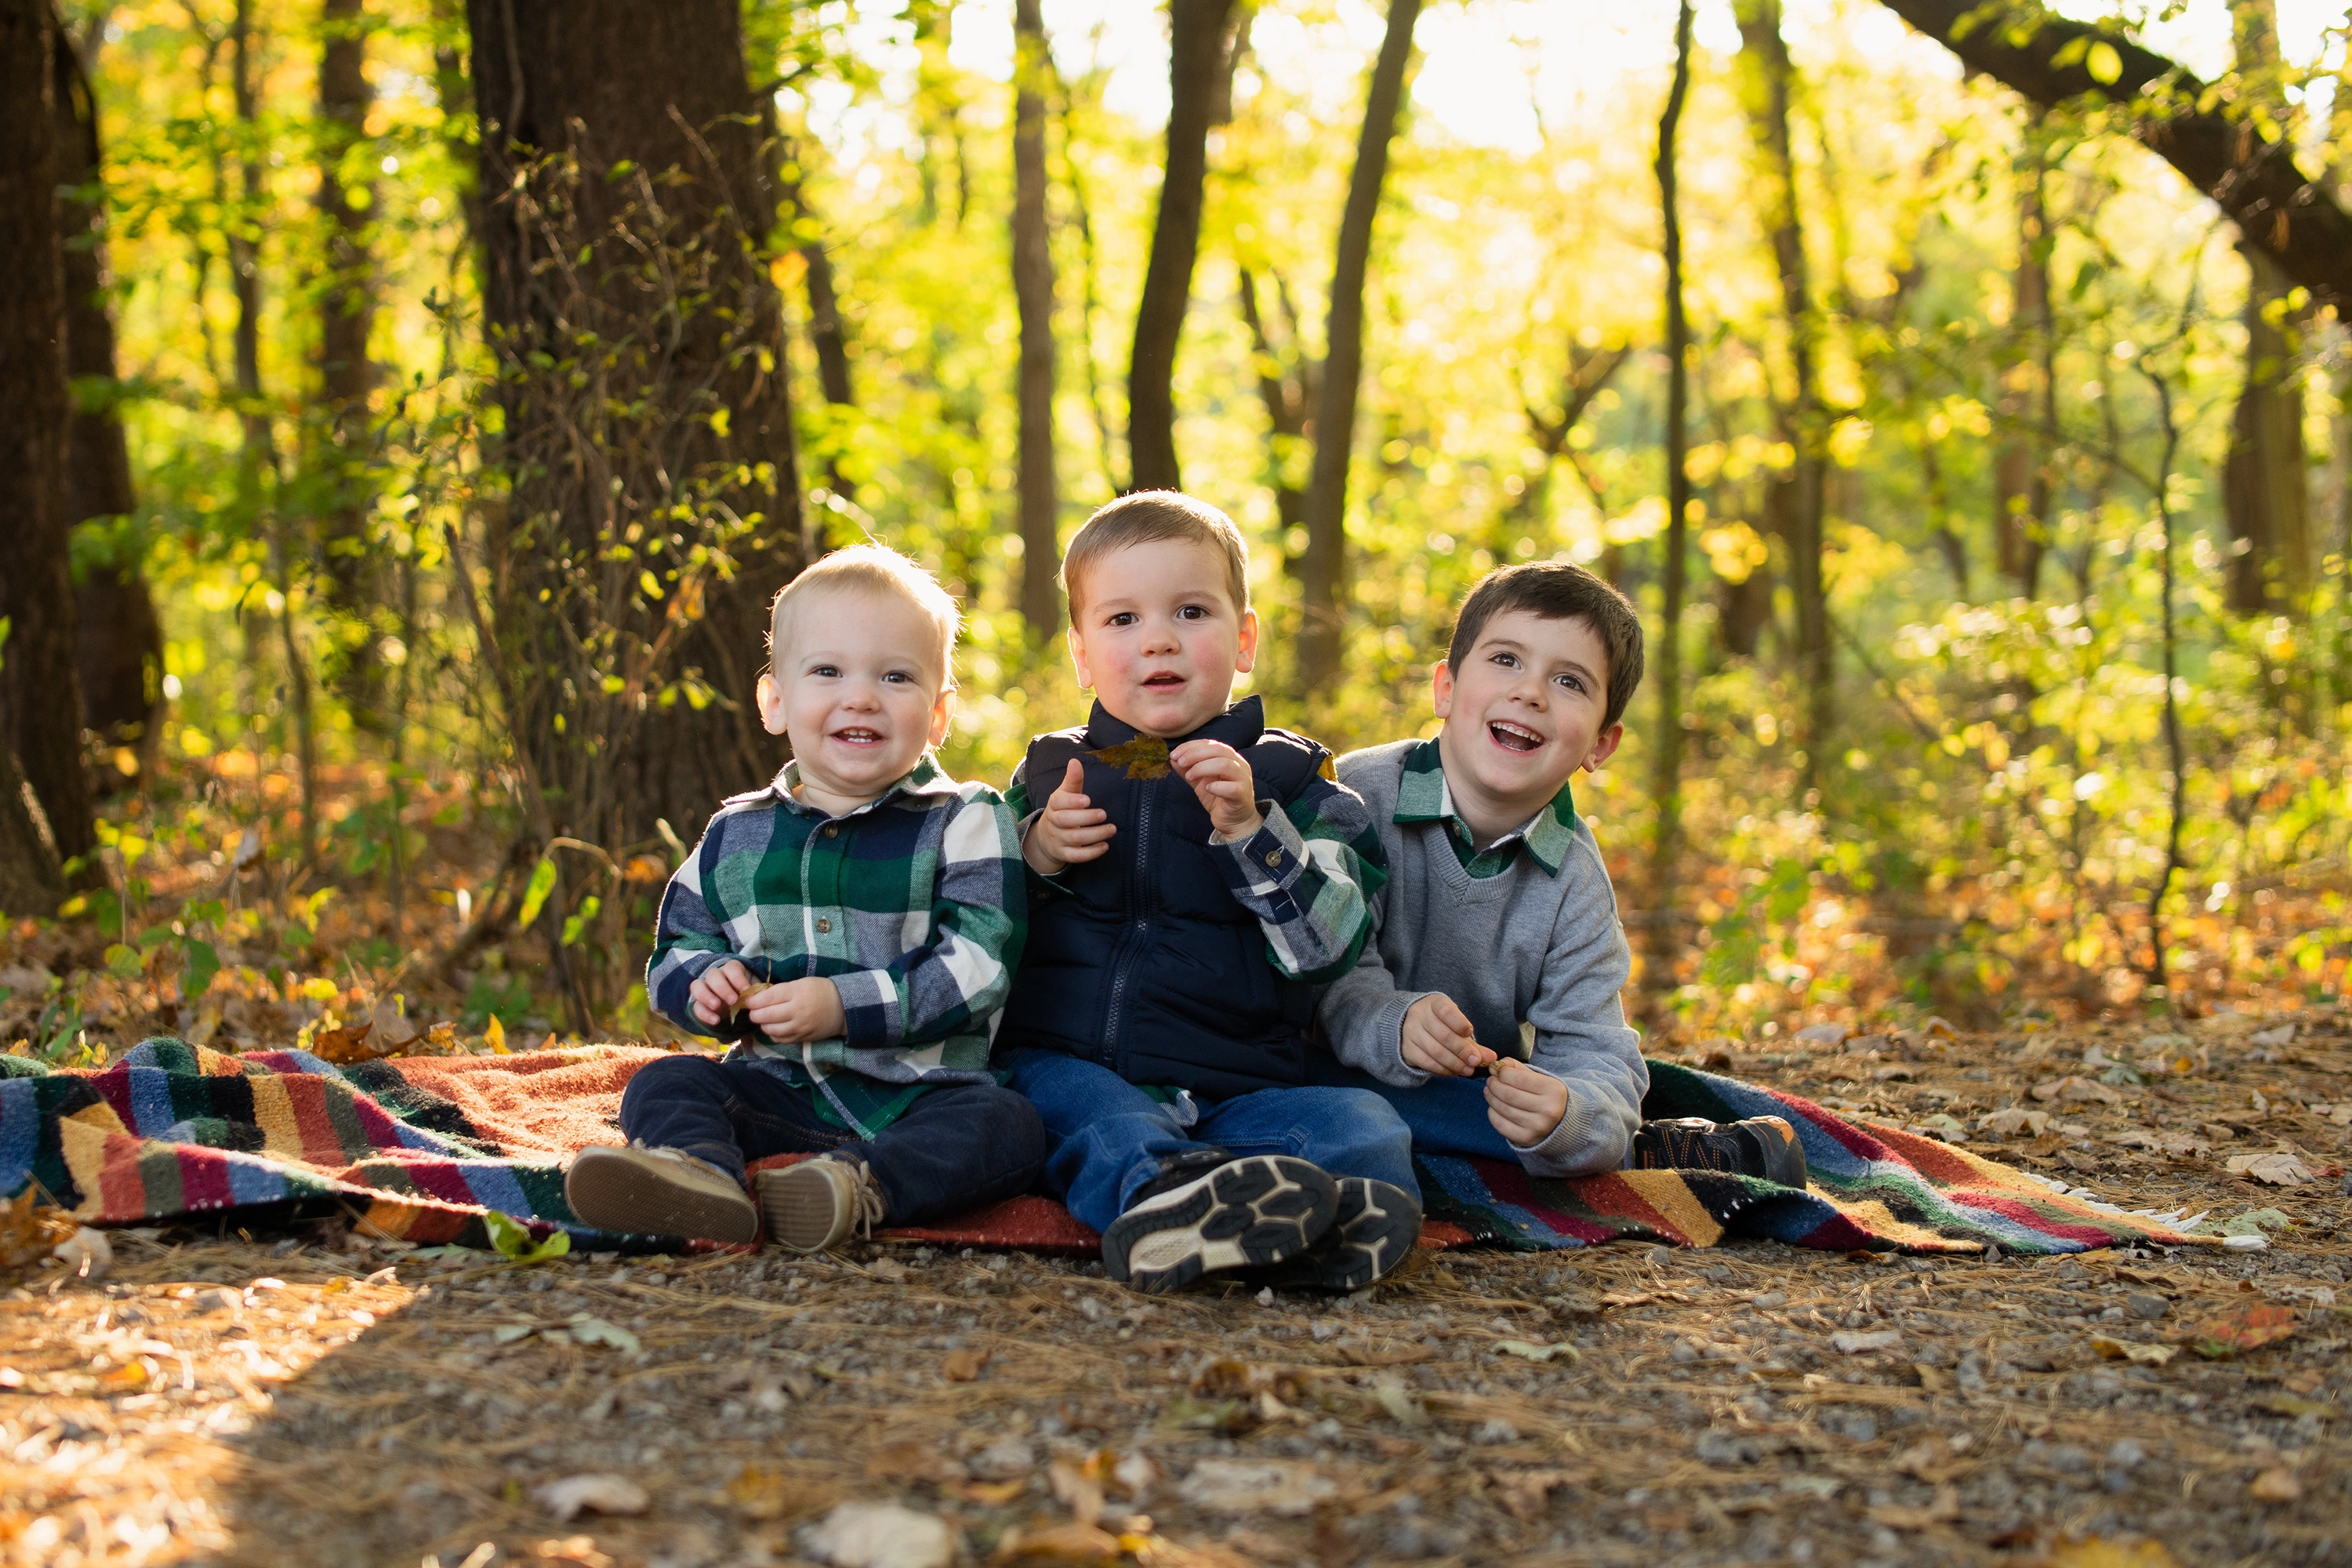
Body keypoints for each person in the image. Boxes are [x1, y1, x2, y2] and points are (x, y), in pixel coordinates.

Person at [999, 492, 1421, 1294]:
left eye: (1190, 611)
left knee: (1363, 1126)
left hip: (1242, 1083)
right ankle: (1163, 1204)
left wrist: (1250, 828)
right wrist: (1037, 851)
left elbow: (1329, 948)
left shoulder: (1301, 787)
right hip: (1078, 1058)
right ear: (1082, 655)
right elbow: (977, 916)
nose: (1158, 637)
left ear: (1244, 638)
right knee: (1094, 1121)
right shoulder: (1051, 775)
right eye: (1122, 619)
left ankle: (1334, 1223)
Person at [565, 545, 1045, 1250]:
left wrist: (841, 1007)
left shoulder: (966, 819)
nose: (861, 697)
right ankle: (697, 1177)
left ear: (939, 715)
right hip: (777, 1087)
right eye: (828, 671)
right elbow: (677, 949)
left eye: (896, 676)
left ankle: (855, 1189)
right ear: (776, 702)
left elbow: (980, 965)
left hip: (921, 1093)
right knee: (663, 1084)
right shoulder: (739, 831)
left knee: (1010, 1128)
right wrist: (706, 987)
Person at [1312, 561, 1806, 1187]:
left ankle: (1604, 1144)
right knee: (1339, 1106)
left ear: (1600, 744)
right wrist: (1394, 1022)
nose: (1530, 693)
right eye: (1506, 660)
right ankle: (1641, 1155)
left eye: (1569, 681)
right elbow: (1324, 975)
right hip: (1318, 1067)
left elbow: (1593, 1045)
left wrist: (1567, 1115)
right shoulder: (1356, 798)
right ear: (1445, 688)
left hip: (1465, 1087)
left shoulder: (1571, 876)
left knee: (1563, 1108)